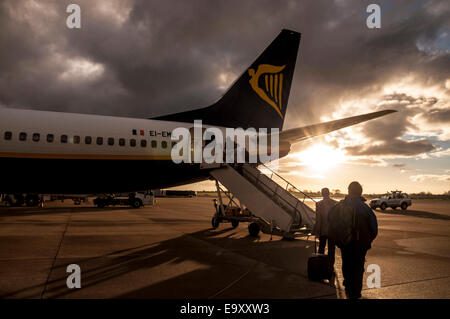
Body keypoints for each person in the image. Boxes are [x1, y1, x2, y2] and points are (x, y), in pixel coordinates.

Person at [330, 181, 378, 299]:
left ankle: (348, 287)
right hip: (360, 245)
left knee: (346, 263)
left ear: (349, 191)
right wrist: (367, 241)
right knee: (358, 267)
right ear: (360, 192)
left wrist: (339, 236)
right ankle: (356, 292)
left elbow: (330, 219)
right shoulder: (365, 209)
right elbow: (374, 228)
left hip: (345, 243)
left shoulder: (339, 206)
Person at [313, 188, 337, 269]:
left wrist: (317, 231)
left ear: (322, 194)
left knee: (321, 248)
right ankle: (330, 267)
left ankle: (321, 266)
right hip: (333, 231)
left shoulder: (319, 204)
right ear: (329, 193)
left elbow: (318, 219)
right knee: (331, 250)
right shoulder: (335, 203)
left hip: (323, 230)